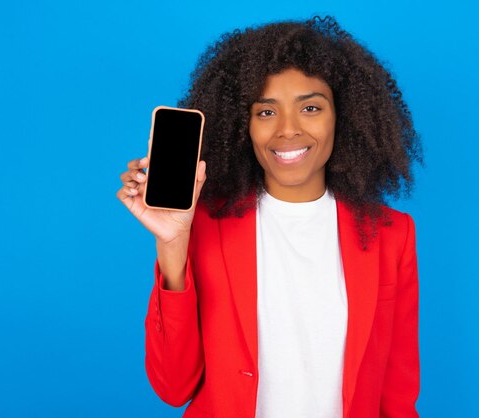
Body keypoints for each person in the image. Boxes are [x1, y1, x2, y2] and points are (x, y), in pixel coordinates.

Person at [117, 16, 423, 418]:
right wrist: (172, 246)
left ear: (342, 117)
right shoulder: (204, 225)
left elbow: (397, 396)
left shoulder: (391, 234)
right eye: (265, 112)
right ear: (243, 125)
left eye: (310, 108)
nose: (288, 130)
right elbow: (174, 388)